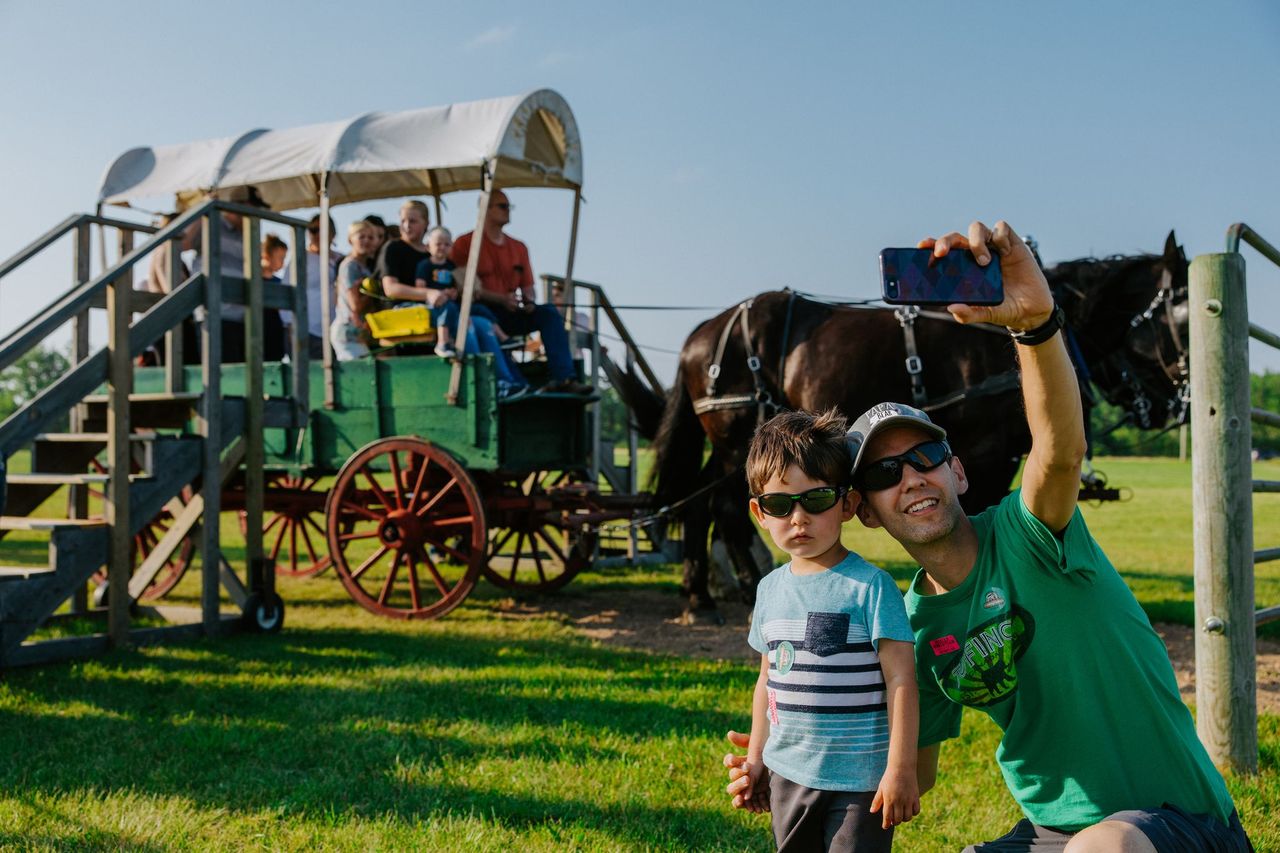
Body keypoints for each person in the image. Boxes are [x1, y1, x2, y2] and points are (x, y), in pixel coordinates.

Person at [727, 220, 1254, 853]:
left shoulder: (1029, 533)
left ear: (958, 470)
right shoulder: (912, 623)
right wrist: (791, 746)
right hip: (1051, 836)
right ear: (864, 510)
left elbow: (1059, 450)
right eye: (886, 472)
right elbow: (913, 778)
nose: (913, 477)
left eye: (926, 457)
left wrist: (1033, 323)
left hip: (1179, 825)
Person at [739, 408, 920, 852]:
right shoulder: (768, 590)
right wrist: (756, 758)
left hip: (861, 781)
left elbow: (901, 680)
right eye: (780, 504)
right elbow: (768, 681)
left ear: (847, 505)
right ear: (760, 513)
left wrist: (900, 766)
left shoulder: (871, 587)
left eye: (815, 500)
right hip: (788, 774)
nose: (798, 518)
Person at [450, 190, 593, 396]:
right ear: (485, 209)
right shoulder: (465, 244)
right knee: (479, 312)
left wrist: (528, 301)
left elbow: (528, 287)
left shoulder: (518, 247)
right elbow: (465, 288)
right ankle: (510, 381)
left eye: (509, 206)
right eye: (503, 206)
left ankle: (564, 378)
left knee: (548, 313)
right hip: (482, 312)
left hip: (510, 312)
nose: (508, 211)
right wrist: (501, 299)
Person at [413, 227, 530, 397]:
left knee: (483, 319)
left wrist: (457, 292)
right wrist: (438, 295)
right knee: (463, 323)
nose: (442, 248)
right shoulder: (424, 266)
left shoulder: (452, 267)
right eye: (438, 244)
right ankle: (446, 344)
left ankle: (505, 378)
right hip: (437, 308)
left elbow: (458, 288)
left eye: (446, 244)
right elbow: (422, 290)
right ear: (428, 246)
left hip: (455, 306)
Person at [329, 221, 379, 361]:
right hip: (347, 332)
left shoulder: (364, 267)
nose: (366, 241)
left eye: (370, 237)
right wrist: (372, 294)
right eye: (361, 237)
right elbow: (355, 305)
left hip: (359, 333)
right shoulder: (350, 266)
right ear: (350, 239)